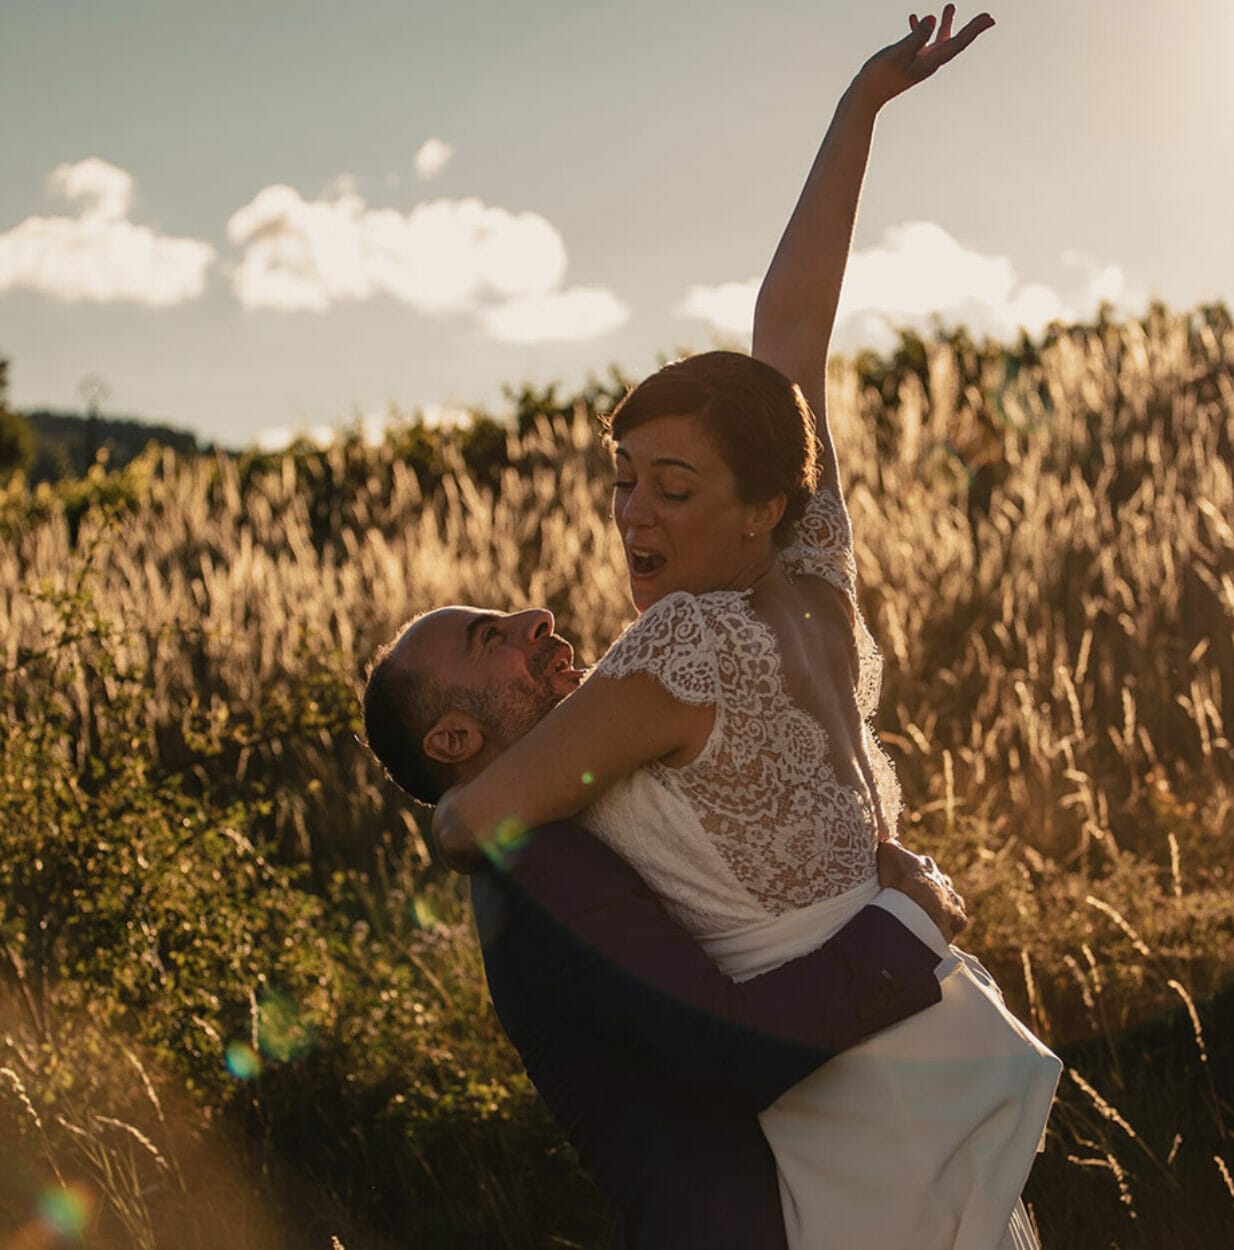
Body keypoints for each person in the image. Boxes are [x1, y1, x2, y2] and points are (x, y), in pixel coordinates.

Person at [432, 10, 1062, 1249]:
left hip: (846, 1084)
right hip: (923, 1012)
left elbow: (470, 820)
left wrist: (455, 778)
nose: (633, 517)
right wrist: (862, 108)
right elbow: (793, 337)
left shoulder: (683, 653)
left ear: (765, 501)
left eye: (675, 489)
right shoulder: (817, 575)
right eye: (623, 479)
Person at [363, 607, 971, 1248]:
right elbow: (725, 1048)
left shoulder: (575, 820)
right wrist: (907, 925)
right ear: (454, 740)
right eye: (490, 638)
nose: (537, 620)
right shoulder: (536, 872)